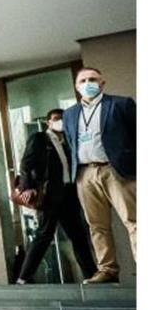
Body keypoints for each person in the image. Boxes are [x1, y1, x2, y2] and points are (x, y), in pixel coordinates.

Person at [61, 68, 137, 284]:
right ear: (77, 87)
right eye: (83, 80)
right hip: (85, 175)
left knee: (134, 221)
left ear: (102, 83)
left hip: (116, 171)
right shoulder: (70, 114)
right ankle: (107, 270)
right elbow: (71, 142)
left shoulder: (121, 104)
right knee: (97, 226)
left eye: (93, 79)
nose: (88, 83)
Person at [15, 109, 98, 284]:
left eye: (62, 119)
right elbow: (26, 163)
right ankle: (23, 277)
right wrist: (27, 187)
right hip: (50, 195)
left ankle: (91, 275)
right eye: (56, 119)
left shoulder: (67, 142)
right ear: (49, 123)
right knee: (44, 235)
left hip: (69, 194)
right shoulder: (40, 138)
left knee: (78, 235)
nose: (60, 121)